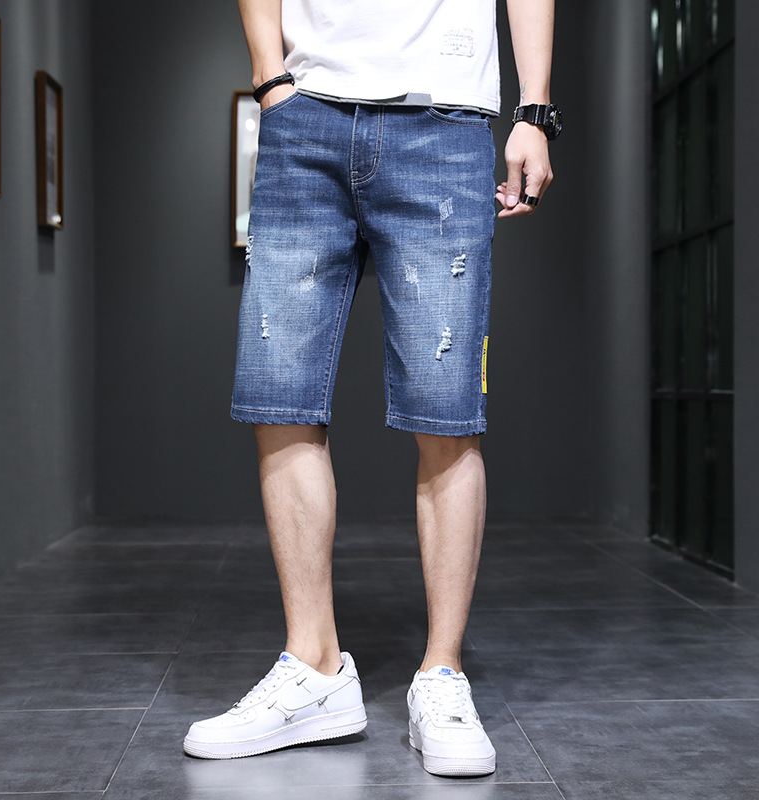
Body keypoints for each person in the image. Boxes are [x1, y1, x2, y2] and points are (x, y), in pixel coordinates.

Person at [184, 0, 559, 777]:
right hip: (304, 117)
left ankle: (443, 673)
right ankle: (314, 666)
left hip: (445, 116)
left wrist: (535, 111)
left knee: (448, 410)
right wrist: (270, 79)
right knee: (279, 397)